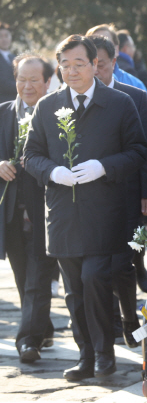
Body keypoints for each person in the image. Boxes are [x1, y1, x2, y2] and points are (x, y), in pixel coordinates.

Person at [23, 34, 147, 380]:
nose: (72, 71)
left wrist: (103, 166)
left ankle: (105, 352)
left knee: (95, 279)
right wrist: (53, 172)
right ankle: (86, 355)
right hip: (62, 213)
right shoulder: (47, 106)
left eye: (79, 64)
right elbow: (30, 155)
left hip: (105, 213)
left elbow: (139, 151)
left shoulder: (120, 103)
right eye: (65, 65)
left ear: (96, 64)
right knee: (74, 289)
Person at [89, 34, 147, 346]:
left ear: (113, 63)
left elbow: (145, 147)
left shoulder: (133, 96)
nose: (94, 72)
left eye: (100, 65)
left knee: (124, 262)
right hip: (90, 198)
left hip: (128, 194)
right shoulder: (76, 100)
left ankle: (131, 319)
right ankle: (112, 323)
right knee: (98, 265)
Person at [0, 53, 57, 363]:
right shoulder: (2, 113)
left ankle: (28, 340)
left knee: (38, 275)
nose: (27, 85)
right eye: (21, 79)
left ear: (47, 82)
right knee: (23, 278)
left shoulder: (58, 114)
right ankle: (42, 326)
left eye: (34, 80)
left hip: (45, 211)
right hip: (9, 213)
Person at [86, 25, 147, 122]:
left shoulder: (136, 85)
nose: (100, 49)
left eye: (106, 43)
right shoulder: (75, 86)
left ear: (116, 50)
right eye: (93, 44)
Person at [0, 22, 16, 103]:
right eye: (1, 36)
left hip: (16, 100)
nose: (4, 39)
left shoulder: (14, 57)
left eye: (6, 36)